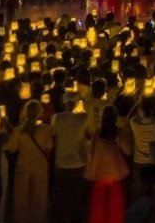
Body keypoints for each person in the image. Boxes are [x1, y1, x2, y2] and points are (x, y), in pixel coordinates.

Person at [7, 98, 54, 223]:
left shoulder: (18, 130)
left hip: (23, 166)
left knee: (22, 196)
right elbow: (48, 148)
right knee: (39, 196)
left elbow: (12, 148)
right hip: (40, 166)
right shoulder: (45, 130)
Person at [86, 106, 132, 223]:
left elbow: (90, 148)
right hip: (115, 175)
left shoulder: (98, 134)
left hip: (99, 175)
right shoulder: (119, 133)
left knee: (99, 207)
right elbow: (128, 150)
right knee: (114, 207)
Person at [51, 92, 92, 223]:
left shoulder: (57, 118)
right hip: (79, 162)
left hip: (61, 162)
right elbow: (90, 135)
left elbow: (53, 136)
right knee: (77, 197)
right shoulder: (83, 117)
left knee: (61, 196)